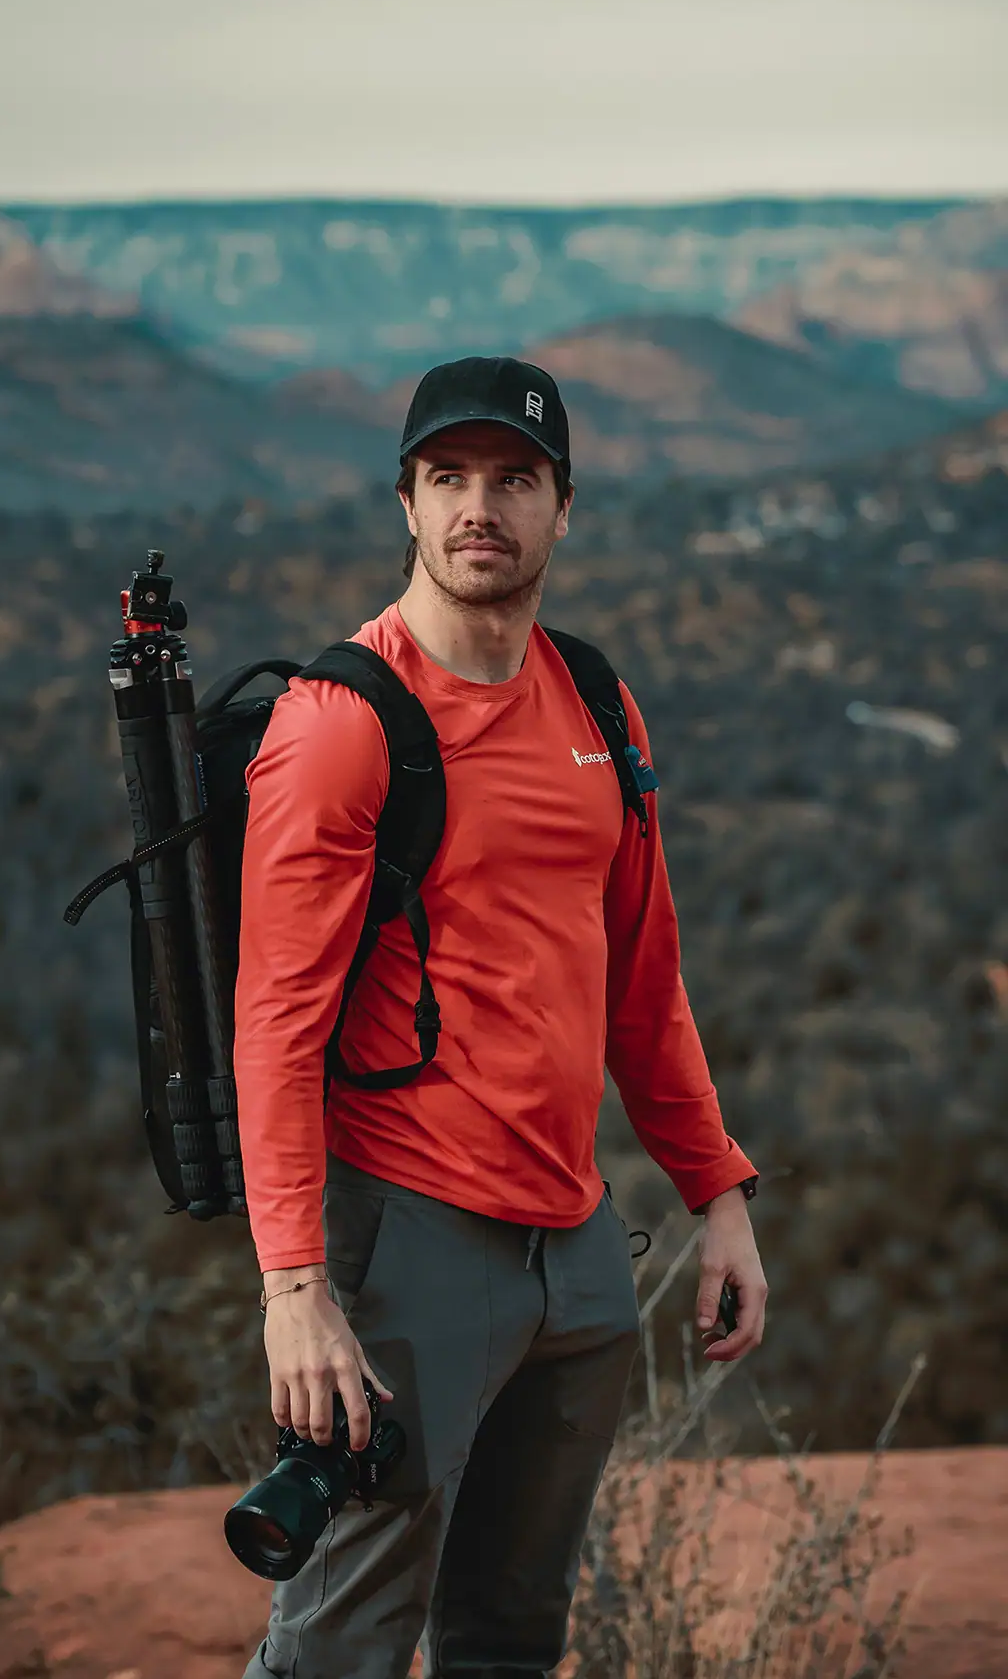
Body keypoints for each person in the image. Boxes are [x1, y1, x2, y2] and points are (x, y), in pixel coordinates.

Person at [234, 355, 767, 1679]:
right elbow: (277, 1024)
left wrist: (718, 1194)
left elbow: (642, 975)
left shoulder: (597, 698)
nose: (482, 507)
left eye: (515, 479)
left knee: (512, 1636)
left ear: (562, 507)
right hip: (408, 1233)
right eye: (450, 478)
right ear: (407, 504)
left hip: (577, 1249)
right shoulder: (341, 724)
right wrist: (294, 1289)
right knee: (343, 1641)